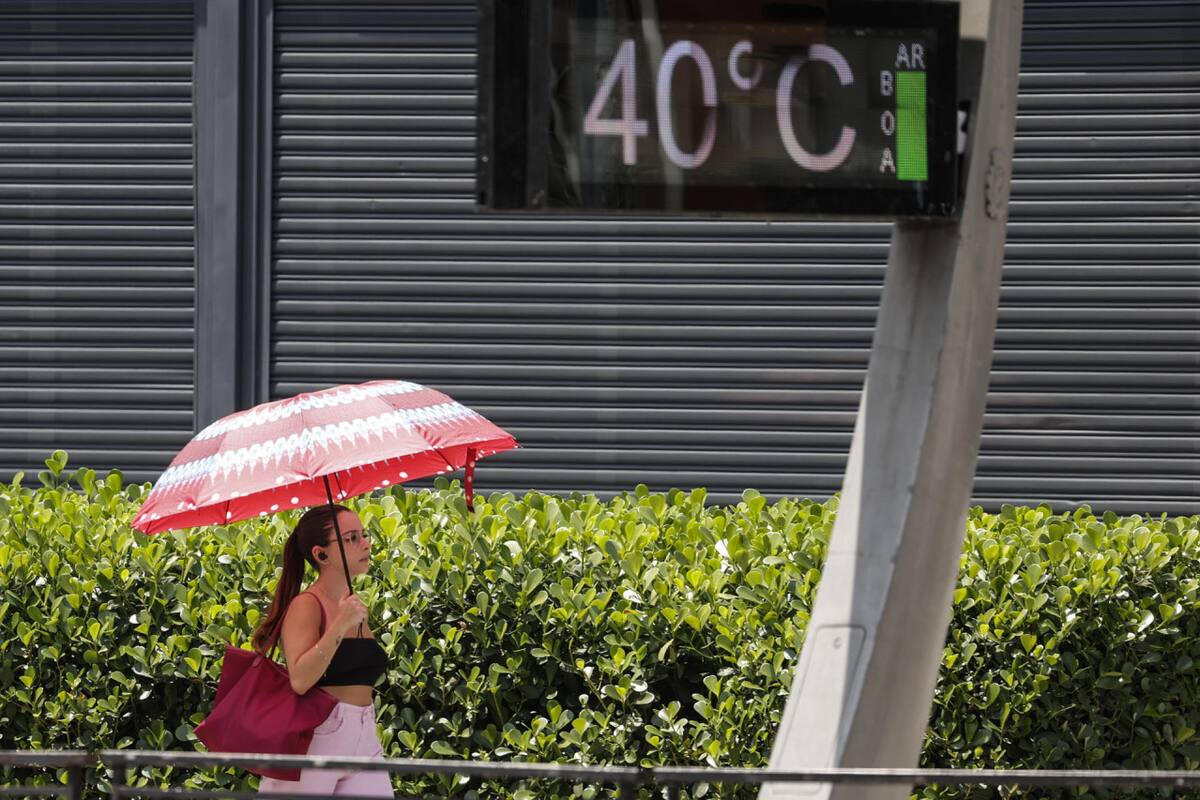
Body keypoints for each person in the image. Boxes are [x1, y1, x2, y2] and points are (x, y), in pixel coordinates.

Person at [251, 504, 393, 797]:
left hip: (364, 736)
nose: (365, 543)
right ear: (321, 554)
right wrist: (339, 625)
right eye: (352, 538)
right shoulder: (307, 605)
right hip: (317, 736)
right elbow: (300, 679)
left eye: (364, 535)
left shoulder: (353, 605)